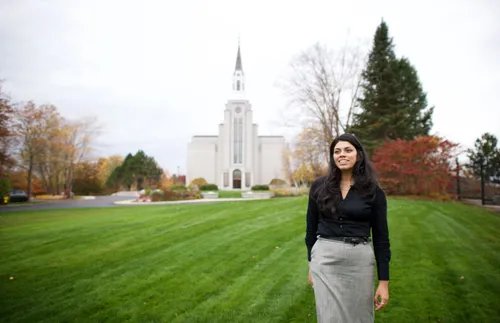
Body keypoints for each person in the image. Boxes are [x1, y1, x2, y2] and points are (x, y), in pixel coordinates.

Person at [305, 133, 391, 323]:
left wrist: (383, 282)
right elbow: (311, 229)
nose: (341, 155)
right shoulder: (319, 186)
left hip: (359, 260)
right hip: (325, 258)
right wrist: (311, 264)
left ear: (358, 155)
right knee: (329, 317)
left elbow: (381, 238)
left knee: (359, 317)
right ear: (332, 157)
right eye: (337, 151)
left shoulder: (373, 191)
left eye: (347, 150)